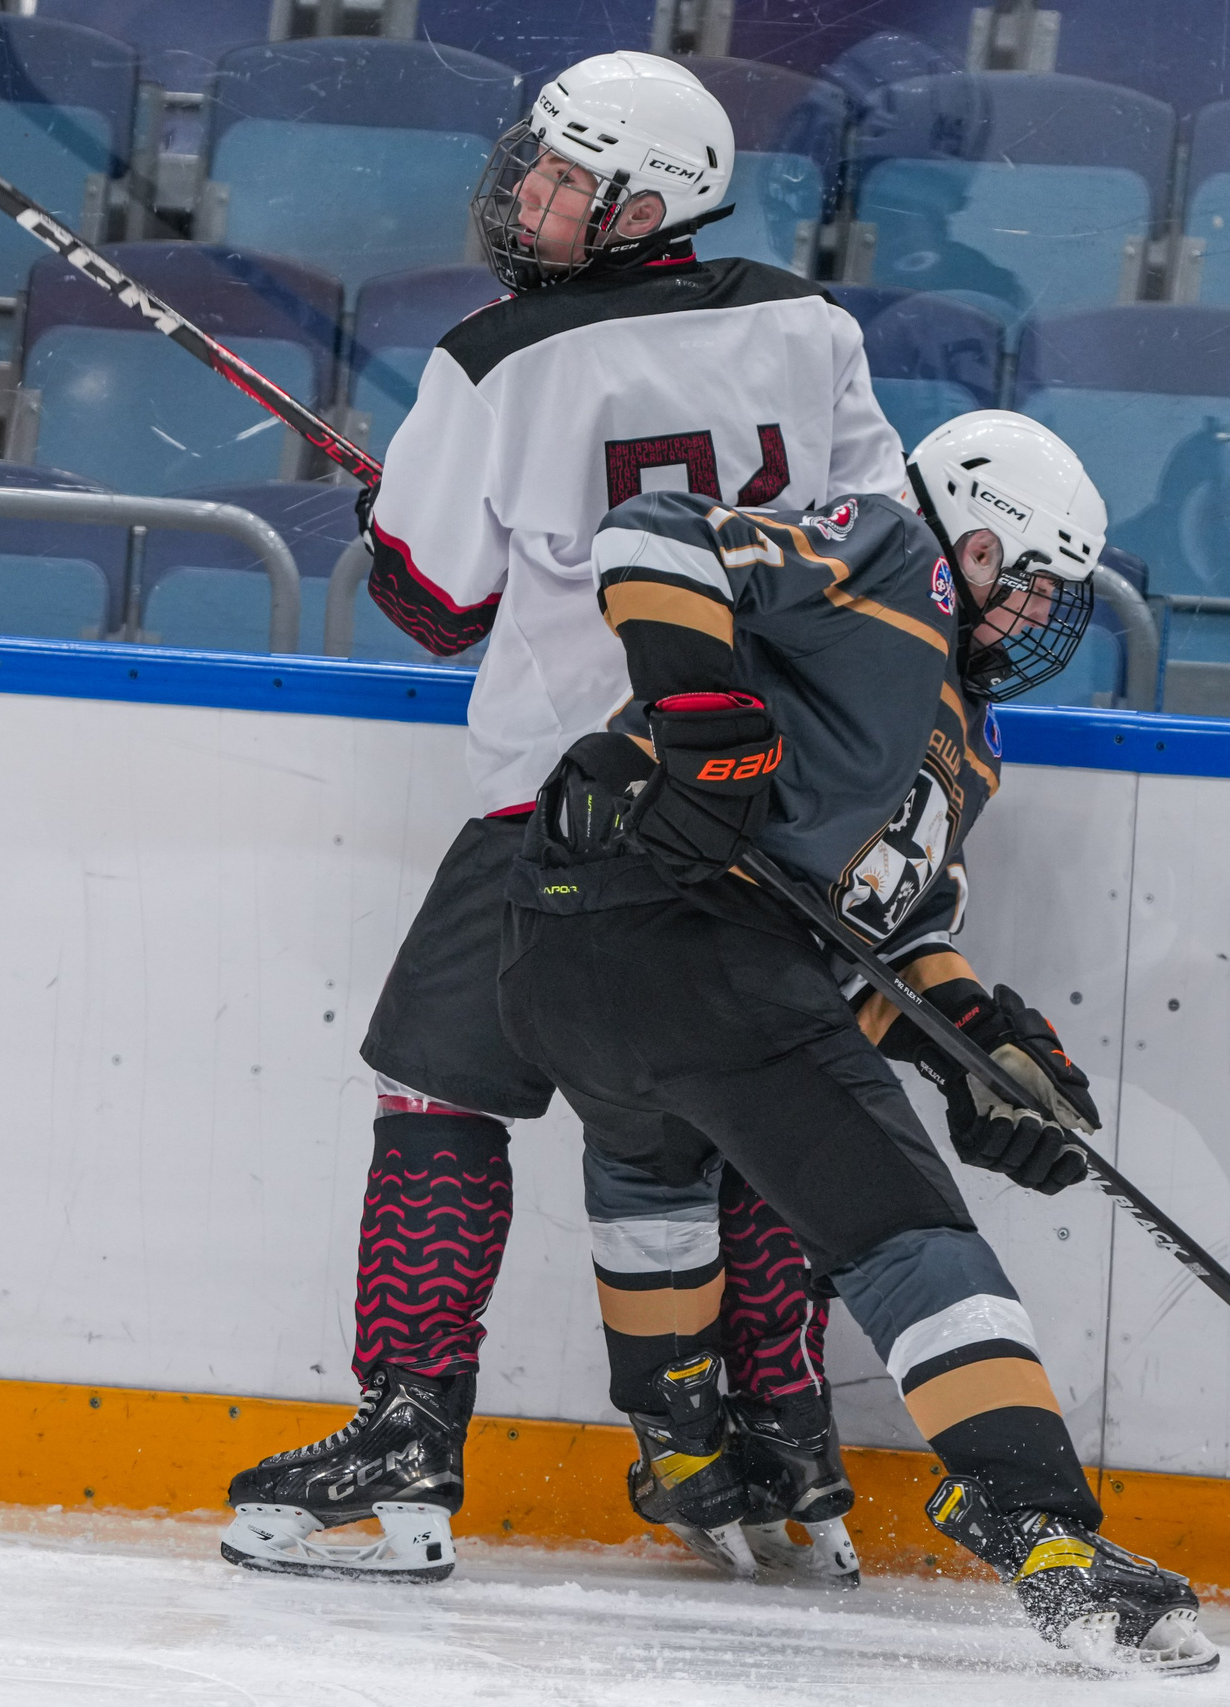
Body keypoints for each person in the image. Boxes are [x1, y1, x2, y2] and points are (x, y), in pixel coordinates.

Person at [218, 50, 911, 1585]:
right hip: (761, 806)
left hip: (564, 805)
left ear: (645, 204)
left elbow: (432, 604)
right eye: (532, 169)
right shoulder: (813, 327)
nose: (526, 200)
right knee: (752, 1107)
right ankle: (783, 1435)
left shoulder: (494, 361)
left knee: (437, 1096)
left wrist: (400, 496)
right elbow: (879, 557)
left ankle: (405, 1439)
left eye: (563, 179)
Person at [493, 411, 1221, 1674]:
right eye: (1036, 585)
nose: (1040, 620)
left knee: (653, 1158)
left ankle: (681, 1439)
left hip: (575, 953)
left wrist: (974, 1044)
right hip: (680, 935)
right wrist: (711, 720)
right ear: (979, 546)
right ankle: (1036, 1523)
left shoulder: (970, 746)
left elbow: (867, 943)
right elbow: (655, 533)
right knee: (907, 1235)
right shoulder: (892, 557)